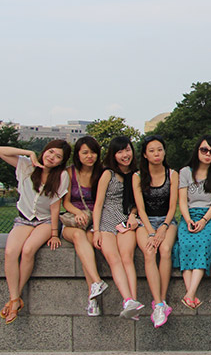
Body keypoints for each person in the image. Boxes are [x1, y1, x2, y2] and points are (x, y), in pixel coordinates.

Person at [1, 141, 70, 324]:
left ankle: (15, 299)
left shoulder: (61, 175)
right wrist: (29, 152)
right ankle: (15, 297)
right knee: (10, 252)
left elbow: (56, 207)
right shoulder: (26, 166)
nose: (52, 158)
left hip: (46, 221)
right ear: (45, 151)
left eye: (58, 157)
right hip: (24, 219)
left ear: (61, 162)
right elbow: (2, 151)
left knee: (29, 250)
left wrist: (55, 233)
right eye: (51, 152)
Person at [92, 136, 144, 319]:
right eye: (120, 151)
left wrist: (133, 215)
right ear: (113, 155)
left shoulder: (137, 174)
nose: (125, 155)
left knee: (127, 257)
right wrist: (96, 230)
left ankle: (134, 303)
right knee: (113, 258)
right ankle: (128, 299)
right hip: (106, 219)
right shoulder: (108, 174)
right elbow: (98, 204)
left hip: (126, 219)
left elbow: (139, 200)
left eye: (127, 150)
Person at [173, 135, 211, 309]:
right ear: (197, 151)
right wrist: (188, 220)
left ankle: (189, 294)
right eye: (204, 150)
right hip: (189, 215)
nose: (207, 154)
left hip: (209, 217)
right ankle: (191, 295)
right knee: (185, 244)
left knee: (203, 244)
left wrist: (204, 221)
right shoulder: (186, 172)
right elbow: (182, 200)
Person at [132, 135, 179, 327]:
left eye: (159, 149)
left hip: (167, 221)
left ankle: (162, 300)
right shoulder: (137, 177)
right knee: (150, 251)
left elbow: (172, 207)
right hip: (146, 222)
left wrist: (164, 228)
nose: (156, 154)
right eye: (151, 151)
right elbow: (141, 209)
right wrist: (152, 232)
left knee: (166, 250)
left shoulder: (172, 174)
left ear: (164, 151)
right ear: (144, 154)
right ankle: (158, 303)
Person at [60, 136, 108, 317]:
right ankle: (96, 282)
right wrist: (79, 213)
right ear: (78, 154)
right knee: (80, 237)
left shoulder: (103, 173)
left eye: (93, 152)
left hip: (94, 220)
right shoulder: (69, 173)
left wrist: (93, 223)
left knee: (89, 240)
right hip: (73, 220)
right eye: (85, 152)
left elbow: (102, 202)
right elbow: (66, 202)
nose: (90, 156)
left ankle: (93, 300)